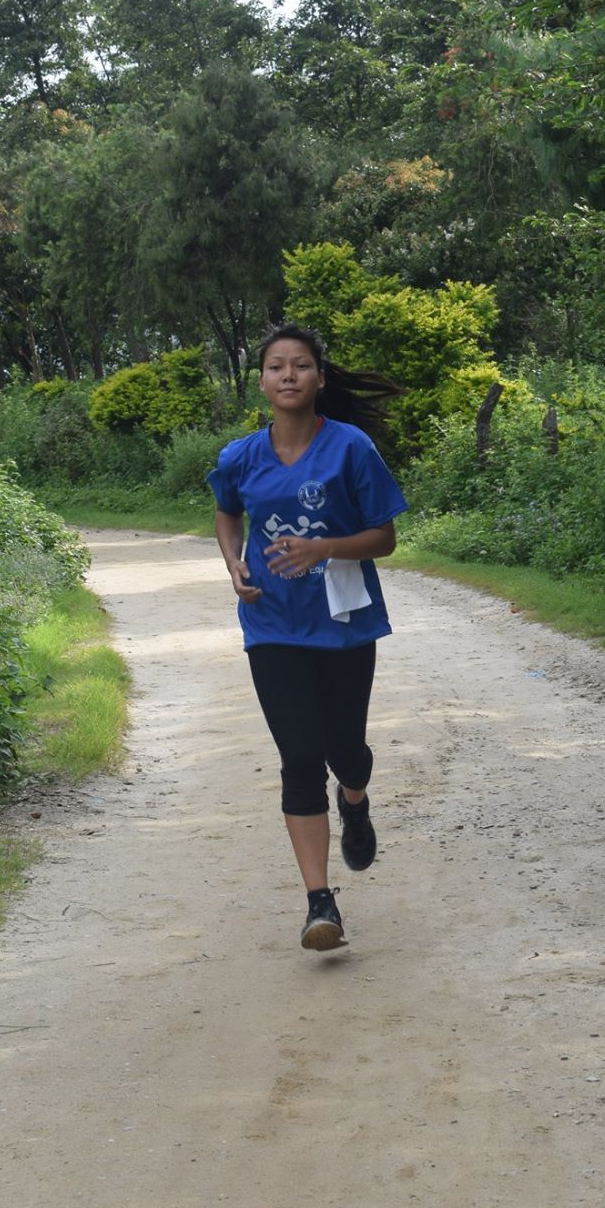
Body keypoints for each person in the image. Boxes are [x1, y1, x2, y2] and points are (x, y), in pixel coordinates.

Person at [209, 324, 407, 950]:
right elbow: (226, 510)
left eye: (300, 365)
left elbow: (385, 537)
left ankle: (356, 799)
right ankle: (320, 903)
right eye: (276, 366)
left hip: (343, 623)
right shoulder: (240, 456)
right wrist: (234, 562)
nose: (288, 375)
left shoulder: (351, 448)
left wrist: (322, 548)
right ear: (261, 382)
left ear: (320, 378)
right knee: (299, 758)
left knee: (345, 751)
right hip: (271, 624)